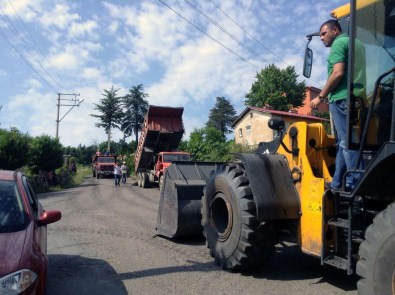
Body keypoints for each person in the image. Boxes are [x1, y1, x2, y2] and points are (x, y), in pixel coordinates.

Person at [310, 19, 366, 191]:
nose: (321, 38)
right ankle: (336, 184)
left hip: (341, 99)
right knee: (343, 142)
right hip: (357, 98)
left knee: (347, 143)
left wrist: (320, 97)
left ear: (335, 30)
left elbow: (337, 72)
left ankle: (356, 184)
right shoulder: (357, 43)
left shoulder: (338, 44)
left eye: (323, 33)